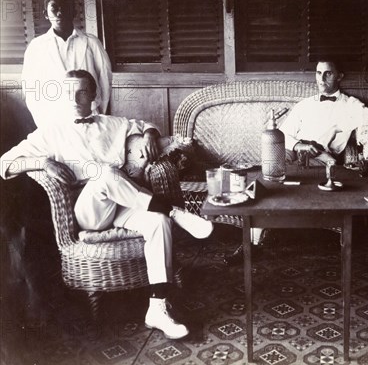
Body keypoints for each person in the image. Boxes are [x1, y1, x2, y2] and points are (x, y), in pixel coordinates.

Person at [0, 70, 213, 339]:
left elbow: (144, 124)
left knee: (157, 223)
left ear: (94, 95)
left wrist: (149, 134)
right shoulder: (51, 132)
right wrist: (42, 162)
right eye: (69, 93)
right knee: (105, 173)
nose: (75, 99)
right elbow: (4, 163)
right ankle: (173, 211)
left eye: (82, 92)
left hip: (122, 203)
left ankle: (158, 308)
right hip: (87, 211)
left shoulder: (113, 123)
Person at [224, 61, 368, 265]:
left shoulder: (352, 106)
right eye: (318, 73)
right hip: (294, 153)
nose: (321, 79)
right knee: (266, 180)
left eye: (328, 74)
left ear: (339, 76)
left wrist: (335, 133)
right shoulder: (305, 105)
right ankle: (252, 244)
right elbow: (283, 134)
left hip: (323, 159)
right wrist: (298, 146)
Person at [22, 0, 112, 128]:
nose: (60, 13)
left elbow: (105, 80)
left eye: (65, 8)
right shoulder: (36, 47)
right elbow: (30, 88)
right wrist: (43, 121)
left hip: (88, 117)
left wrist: (97, 112)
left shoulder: (91, 43)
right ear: (46, 14)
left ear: (74, 12)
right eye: (54, 9)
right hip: (53, 120)